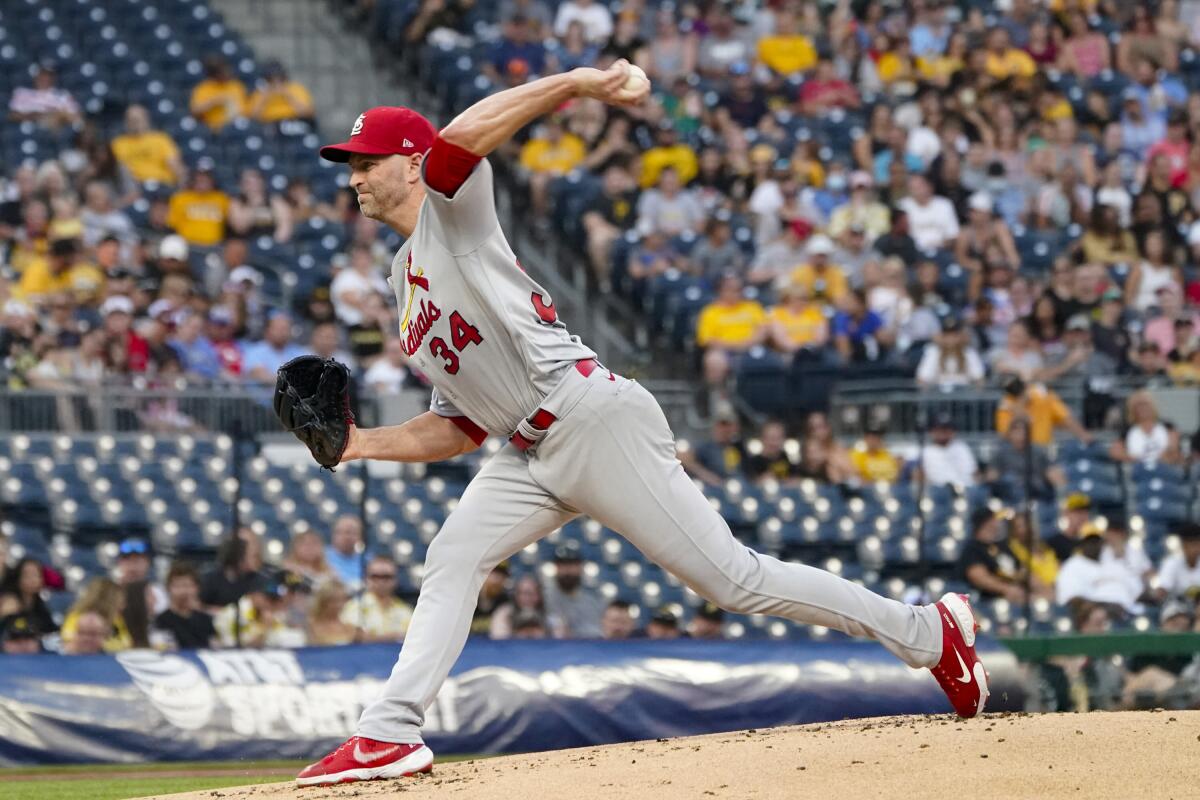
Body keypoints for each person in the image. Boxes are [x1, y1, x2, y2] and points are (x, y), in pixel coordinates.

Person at [295, 67, 988, 787]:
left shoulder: (451, 210)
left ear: (411, 163)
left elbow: (460, 141)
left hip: (590, 418)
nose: (353, 177)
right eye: (351, 164)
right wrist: (357, 445)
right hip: (526, 450)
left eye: (367, 161)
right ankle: (389, 733)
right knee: (452, 557)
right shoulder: (402, 286)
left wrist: (579, 82)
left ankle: (929, 631)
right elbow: (460, 426)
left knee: (735, 582)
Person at [1056, 523, 1145, 615]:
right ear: (1081, 544)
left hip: (1125, 610)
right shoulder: (1072, 565)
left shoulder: (1109, 560)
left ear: (1102, 543)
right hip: (1091, 614)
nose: (1092, 545)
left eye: (1096, 541)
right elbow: (1071, 599)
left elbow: (1134, 587)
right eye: (1088, 542)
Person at [995, 375, 1091, 447]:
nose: (1020, 393)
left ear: (1024, 385)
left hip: (1043, 447)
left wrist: (1083, 435)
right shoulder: (1006, 403)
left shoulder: (1041, 395)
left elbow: (1065, 417)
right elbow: (1004, 434)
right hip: (1018, 451)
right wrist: (1019, 409)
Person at [342, 556, 413, 643]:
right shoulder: (354, 607)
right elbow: (355, 637)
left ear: (396, 580)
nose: (381, 582)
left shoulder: (405, 610)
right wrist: (394, 636)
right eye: (375, 576)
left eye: (386, 577)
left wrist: (375, 637)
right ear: (366, 579)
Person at [960, 508, 1025, 604]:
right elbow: (978, 577)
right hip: (990, 600)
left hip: (1018, 591)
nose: (996, 524)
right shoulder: (972, 548)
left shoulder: (1001, 545)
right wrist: (1006, 589)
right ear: (984, 524)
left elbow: (1021, 568)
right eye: (992, 520)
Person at [110, 104, 185, 186]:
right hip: (136, 187)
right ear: (125, 122)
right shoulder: (118, 144)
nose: (134, 123)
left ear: (146, 119)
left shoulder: (160, 139)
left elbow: (175, 165)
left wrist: (181, 183)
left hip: (162, 184)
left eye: (137, 119)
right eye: (131, 120)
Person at [541, 544, 604, 638]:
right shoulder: (543, 599)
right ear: (556, 568)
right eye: (563, 565)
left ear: (580, 568)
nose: (567, 570)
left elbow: (599, 633)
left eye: (572, 565)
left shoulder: (592, 601)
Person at [1109, 390, 1183, 466]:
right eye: (1138, 406)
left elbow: (1175, 451)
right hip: (1138, 469)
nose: (1143, 409)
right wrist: (1136, 459)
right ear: (1132, 409)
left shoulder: (1167, 426)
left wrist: (1164, 455)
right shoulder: (1128, 430)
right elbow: (1115, 451)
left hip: (1165, 467)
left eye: (1145, 405)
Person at [153, 562, 218, 650]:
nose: (183, 591)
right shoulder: (161, 620)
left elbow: (214, 646)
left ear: (197, 588)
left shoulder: (205, 620)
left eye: (188, 585)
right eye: (177, 586)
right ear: (168, 589)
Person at [919, 414, 979, 488]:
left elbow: (974, 473)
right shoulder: (925, 451)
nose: (943, 432)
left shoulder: (962, 447)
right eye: (939, 429)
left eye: (946, 429)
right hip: (937, 492)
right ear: (932, 431)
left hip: (964, 490)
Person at [0, 557, 57, 635]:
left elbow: (51, 631)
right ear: (18, 578)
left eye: (37, 575)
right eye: (28, 575)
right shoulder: (9, 603)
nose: (34, 580)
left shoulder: (41, 606)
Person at [246, 61, 315, 124]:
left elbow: (308, 112)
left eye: (280, 79)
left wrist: (287, 95)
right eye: (271, 79)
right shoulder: (260, 92)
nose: (276, 83)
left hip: (294, 122)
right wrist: (266, 97)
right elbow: (253, 116)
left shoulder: (295, 89)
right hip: (270, 126)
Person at [489, 574, 552, 639]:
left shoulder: (548, 612)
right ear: (516, 595)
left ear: (540, 596)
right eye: (523, 593)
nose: (528, 598)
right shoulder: (504, 613)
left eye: (532, 593)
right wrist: (518, 634)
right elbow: (499, 639)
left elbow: (559, 636)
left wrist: (543, 634)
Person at [307, 581, 359, 646]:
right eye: (334, 600)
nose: (339, 605)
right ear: (323, 602)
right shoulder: (310, 625)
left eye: (342, 599)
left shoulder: (349, 625)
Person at [1159, 523, 1200, 599]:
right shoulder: (1171, 563)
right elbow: (1163, 589)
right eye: (1192, 545)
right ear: (1183, 546)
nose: (1195, 549)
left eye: (1197, 544)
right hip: (1178, 606)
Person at [325, 516, 365, 592]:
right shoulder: (322, 557)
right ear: (334, 535)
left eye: (352, 533)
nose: (347, 537)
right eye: (342, 532)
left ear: (360, 536)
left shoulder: (366, 559)